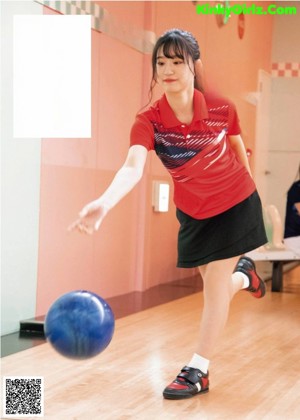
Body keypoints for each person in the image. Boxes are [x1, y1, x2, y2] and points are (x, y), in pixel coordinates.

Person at [70, 29, 267, 400]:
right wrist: (105, 202)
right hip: (194, 212)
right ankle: (245, 278)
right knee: (217, 284)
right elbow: (132, 167)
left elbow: (239, 147)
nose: (169, 69)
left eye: (178, 61)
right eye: (161, 62)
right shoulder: (149, 121)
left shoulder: (221, 107)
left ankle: (198, 369)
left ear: (195, 66)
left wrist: (249, 195)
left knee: (212, 291)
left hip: (235, 204)